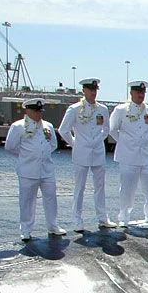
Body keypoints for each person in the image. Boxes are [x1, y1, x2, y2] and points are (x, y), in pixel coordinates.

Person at [4, 99, 65, 241]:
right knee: (27, 201)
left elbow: (53, 144)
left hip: (47, 170)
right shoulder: (18, 126)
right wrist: (27, 156)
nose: (39, 114)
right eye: (36, 111)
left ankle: (53, 225)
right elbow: (10, 147)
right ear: (28, 111)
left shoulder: (47, 126)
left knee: (51, 198)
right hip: (28, 171)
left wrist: (41, 154)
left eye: (40, 111)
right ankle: (26, 229)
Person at [58, 78, 115, 231]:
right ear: (84, 91)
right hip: (81, 153)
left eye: (95, 90)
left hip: (97, 151)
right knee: (80, 187)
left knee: (100, 186)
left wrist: (98, 139)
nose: (93, 92)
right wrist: (75, 144)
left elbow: (106, 129)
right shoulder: (74, 109)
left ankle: (103, 217)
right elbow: (63, 130)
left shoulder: (102, 109)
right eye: (90, 89)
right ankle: (77, 219)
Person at [109, 80, 148, 227]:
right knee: (127, 187)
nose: (140, 95)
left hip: (146, 154)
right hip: (128, 155)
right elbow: (112, 129)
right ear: (131, 93)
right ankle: (124, 215)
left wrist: (142, 142)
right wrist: (126, 143)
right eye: (138, 92)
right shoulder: (121, 110)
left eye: (143, 92)